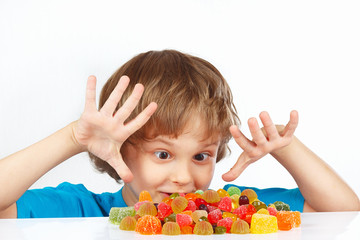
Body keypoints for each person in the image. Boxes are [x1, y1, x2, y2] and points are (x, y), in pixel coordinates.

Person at [0, 50, 359, 219]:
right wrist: (72, 139)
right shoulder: (81, 210)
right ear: (120, 150)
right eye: (163, 154)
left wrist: (287, 146)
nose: (185, 177)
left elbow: (344, 214)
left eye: (201, 156)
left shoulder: (233, 212)